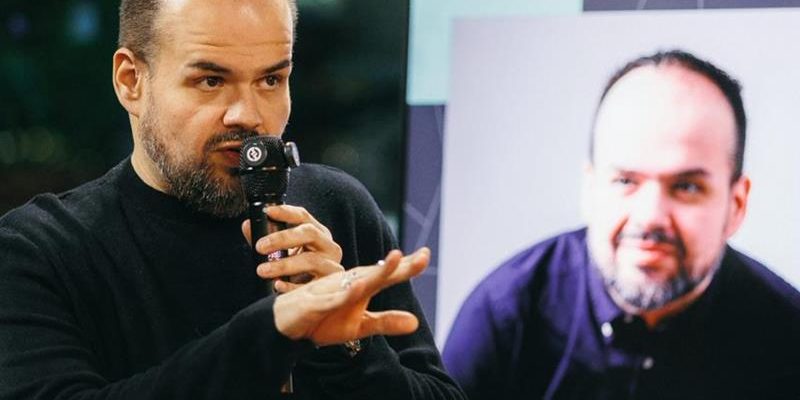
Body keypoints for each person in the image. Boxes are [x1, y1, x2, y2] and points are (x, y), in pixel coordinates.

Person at [0, 0, 465, 399]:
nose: (249, 116)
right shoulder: (37, 251)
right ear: (130, 81)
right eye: (211, 81)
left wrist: (349, 349)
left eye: (271, 80)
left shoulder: (336, 207)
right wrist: (274, 331)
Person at [442, 49, 800, 399]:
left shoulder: (788, 342)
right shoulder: (503, 318)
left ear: (736, 205)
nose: (650, 216)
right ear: (590, 189)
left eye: (687, 187)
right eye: (626, 181)